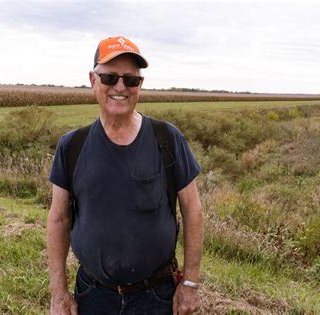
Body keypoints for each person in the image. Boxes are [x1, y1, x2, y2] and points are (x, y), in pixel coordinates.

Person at [47, 35, 203, 315]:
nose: (120, 87)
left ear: (140, 85)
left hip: (156, 295)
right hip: (93, 295)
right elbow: (58, 219)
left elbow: (192, 210)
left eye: (130, 80)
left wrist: (190, 282)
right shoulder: (71, 146)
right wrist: (59, 293)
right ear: (93, 80)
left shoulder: (167, 139)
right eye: (109, 78)